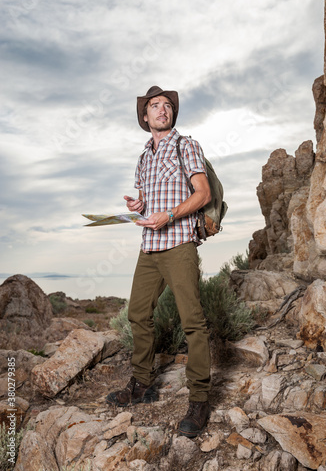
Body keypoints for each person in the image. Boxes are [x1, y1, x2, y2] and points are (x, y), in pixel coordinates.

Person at [106, 85, 212, 438]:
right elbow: (145, 200)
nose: (162, 110)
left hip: (179, 243)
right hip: (149, 245)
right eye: (154, 106)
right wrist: (138, 206)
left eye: (167, 105)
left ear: (171, 114)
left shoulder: (186, 145)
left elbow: (203, 193)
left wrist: (168, 215)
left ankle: (199, 401)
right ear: (145, 116)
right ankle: (141, 384)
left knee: (192, 322)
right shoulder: (143, 157)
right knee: (137, 313)